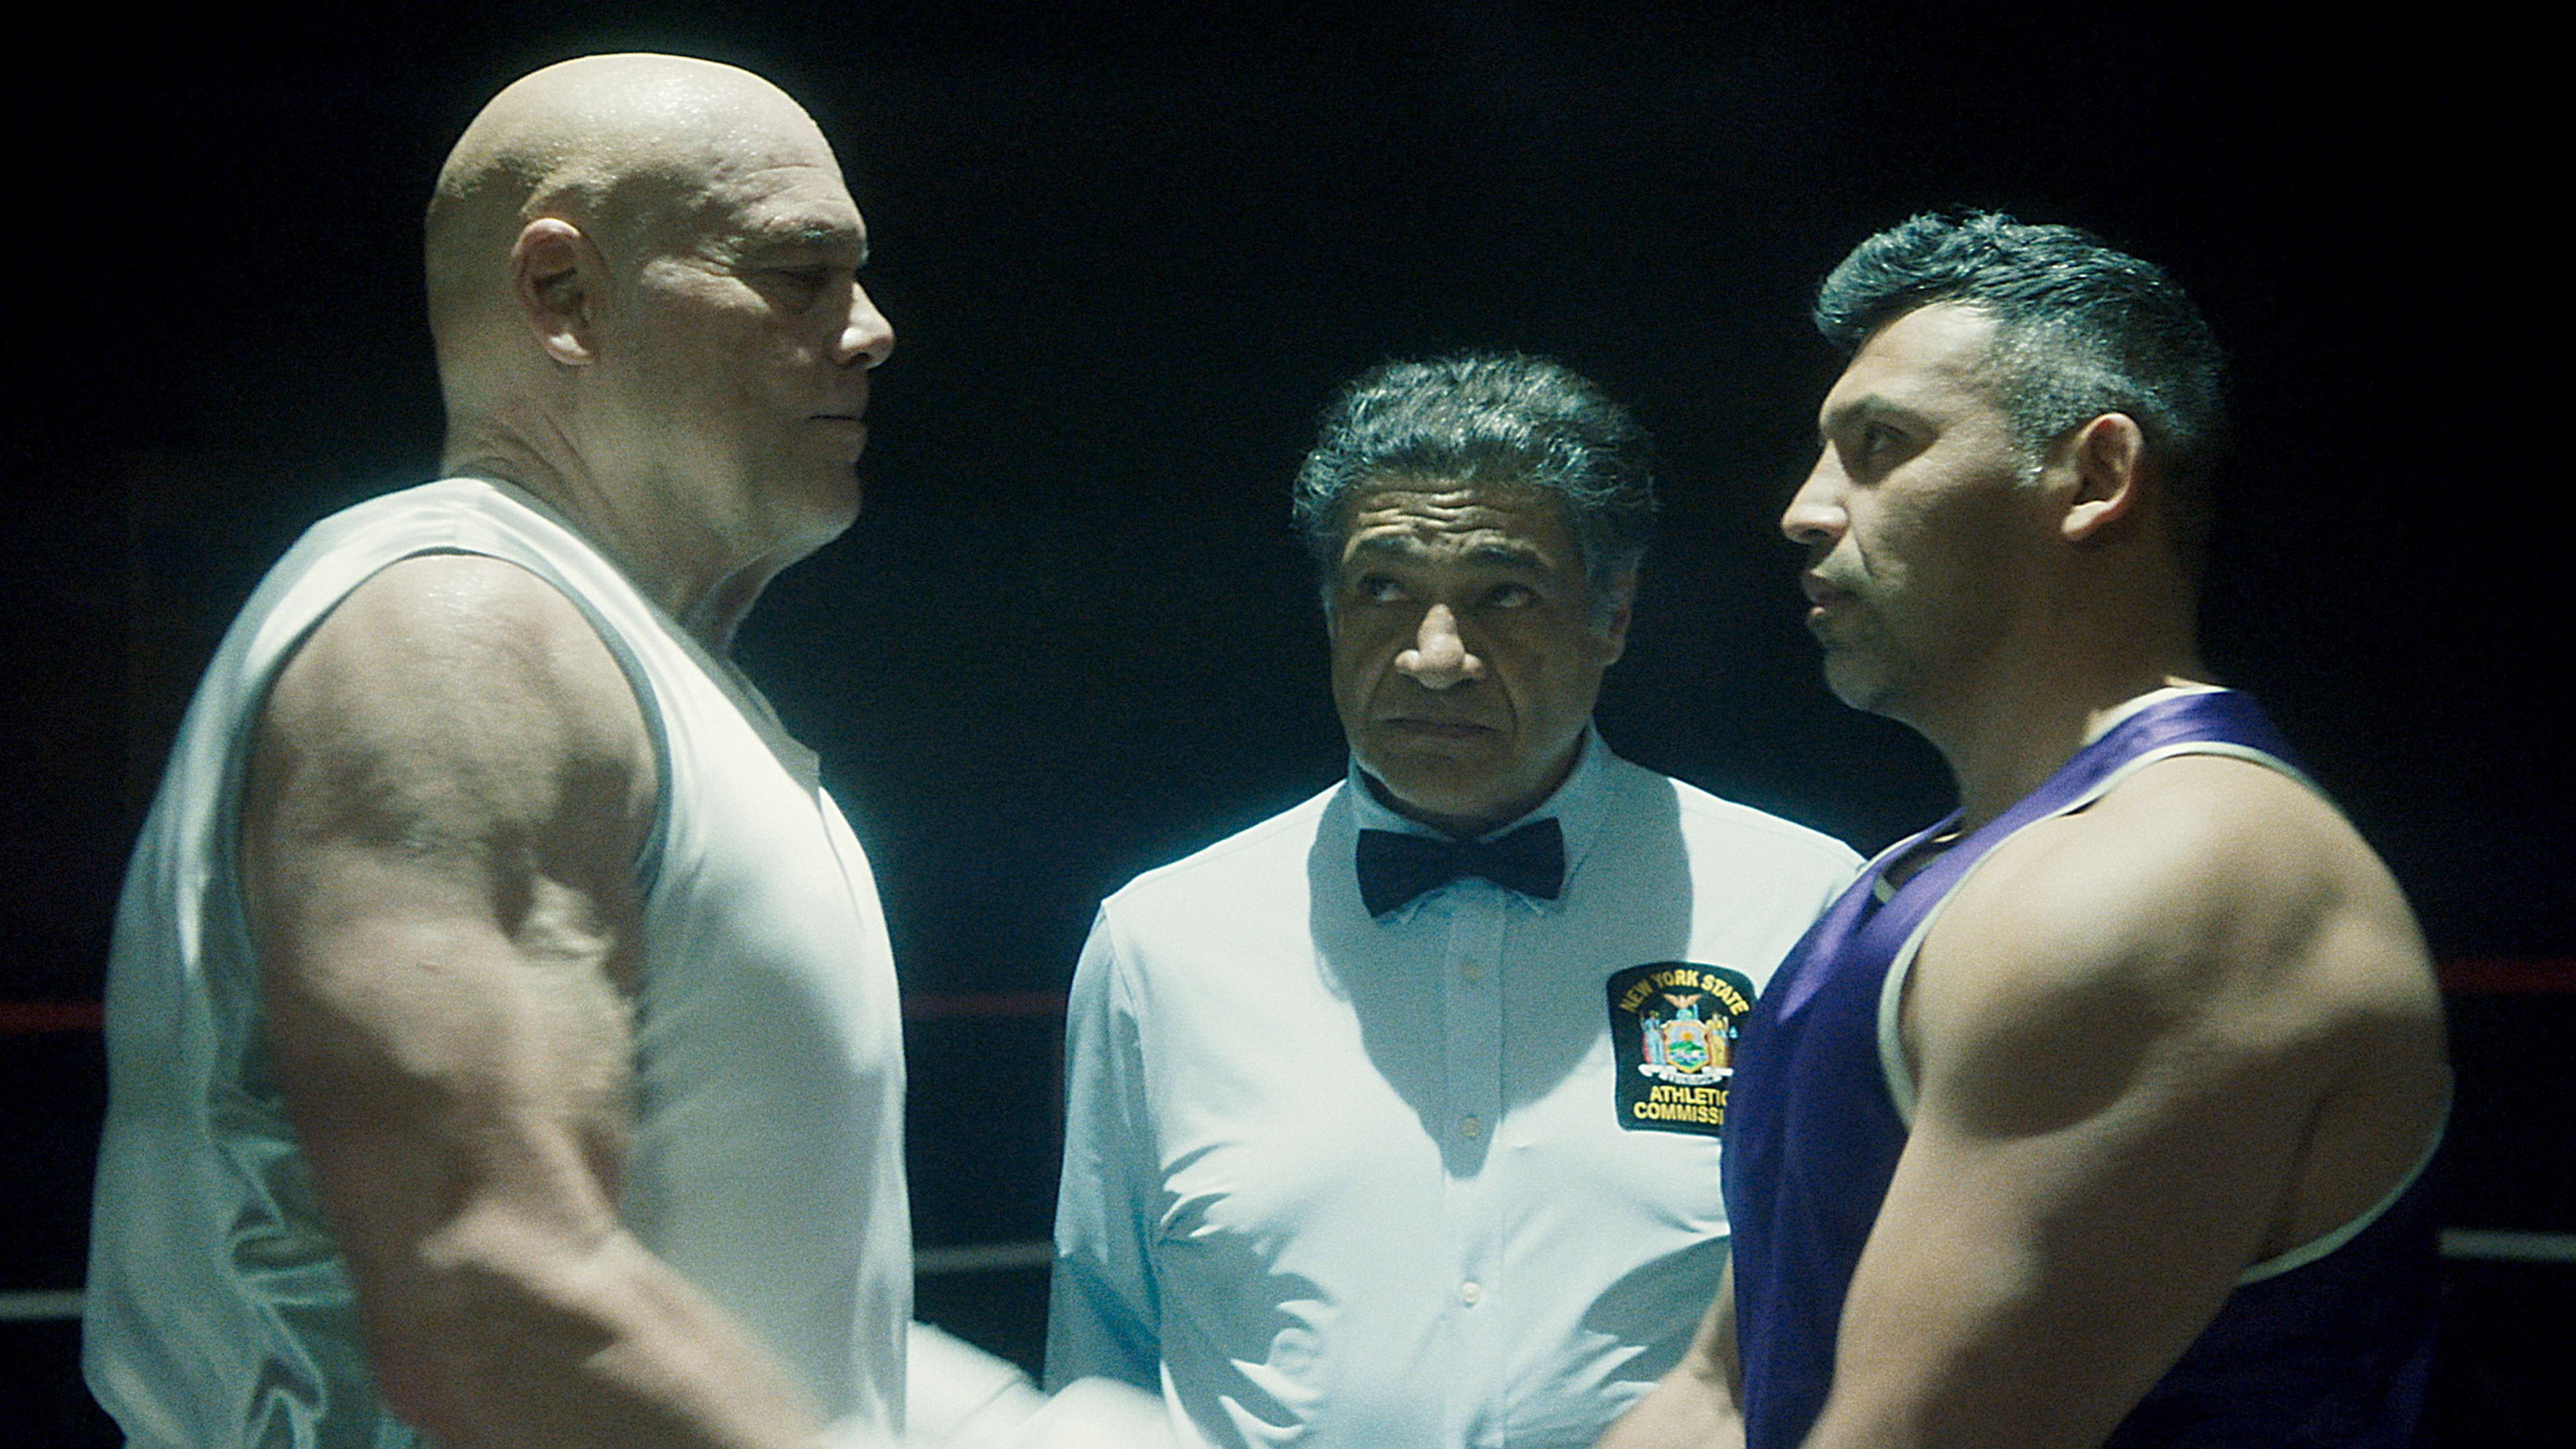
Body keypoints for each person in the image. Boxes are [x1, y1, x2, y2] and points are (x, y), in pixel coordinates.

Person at [86, 53, 928, 1449]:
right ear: (562, 293)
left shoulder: (605, 658)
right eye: (798, 272)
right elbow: (491, 1291)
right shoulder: (455, 632)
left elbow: (732, 1305)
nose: (873, 330)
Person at [1599, 212, 2449, 1449]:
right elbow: (1717, 1395)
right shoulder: (1934, 871)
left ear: (2096, 478)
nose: (1804, 510)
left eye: (1880, 447)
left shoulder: (2188, 872)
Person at [1045, 354, 1862, 1448]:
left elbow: (1859, 1331)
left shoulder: (1800, 908)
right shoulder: (1163, 940)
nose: (1435, 656)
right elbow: (1101, 1358)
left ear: (1613, 617)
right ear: (1329, 610)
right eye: (1382, 589)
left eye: (1504, 595)